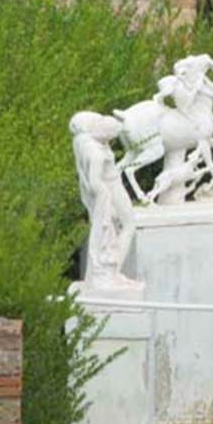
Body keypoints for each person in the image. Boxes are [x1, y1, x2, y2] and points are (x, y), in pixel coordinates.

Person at [70, 111, 142, 292]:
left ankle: (110, 269)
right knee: (128, 224)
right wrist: (106, 201)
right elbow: (95, 182)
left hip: (111, 187)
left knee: (123, 226)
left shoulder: (85, 142)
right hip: (111, 188)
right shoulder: (95, 152)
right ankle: (110, 268)